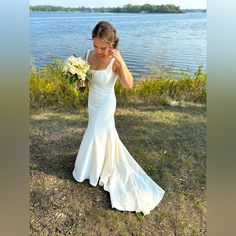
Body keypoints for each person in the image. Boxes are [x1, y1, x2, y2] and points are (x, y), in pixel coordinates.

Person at [72, 21, 165, 215]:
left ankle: (93, 172)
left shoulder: (115, 60)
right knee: (100, 134)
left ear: (112, 45)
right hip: (93, 101)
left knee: (96, 133)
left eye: (102, 47)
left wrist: (121, 62)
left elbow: (129, 84)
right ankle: (96, 165)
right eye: (95, 45)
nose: (97, 50)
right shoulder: (88, 55)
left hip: (106, 102)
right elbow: (84, 85)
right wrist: (76, 80)